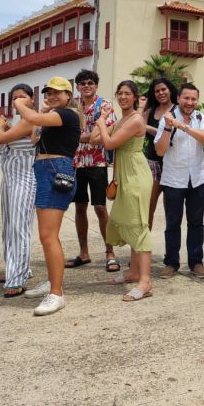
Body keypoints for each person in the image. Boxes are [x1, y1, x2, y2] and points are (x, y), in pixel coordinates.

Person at [16, 76, 82, 316]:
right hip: (45, 170)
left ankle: (56, 293)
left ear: (68, 95)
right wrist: (41, 111)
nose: (52, 96)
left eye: (58, 92)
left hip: (55, 170)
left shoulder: (67, 115)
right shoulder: (55, 116)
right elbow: (34, 136)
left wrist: (20, 103)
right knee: (47, 236)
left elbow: (31, 118)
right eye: (49, 92)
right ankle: (54, 282)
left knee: (48, 235)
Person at [92, 81, 154, 302]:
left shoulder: (136, 120)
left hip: (136, 175)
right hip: (124, 176)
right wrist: (105, 118)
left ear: (136, 97)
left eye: (127, 93)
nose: (123, 97)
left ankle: (145, 281)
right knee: (125, 221)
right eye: (119, 93)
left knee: (138, 225)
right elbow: (93, 139)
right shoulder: (122, 120)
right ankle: (134, 272)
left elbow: (108, 144)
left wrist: (101, 122)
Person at [155, 83, 204, 280]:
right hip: (173, 179)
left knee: (196, 223)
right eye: (186, 98)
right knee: (173, 223)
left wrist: (184, 127)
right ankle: (171, 262)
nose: (189, 102)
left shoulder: (200, 117)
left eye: (193, 99)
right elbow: (160, 151)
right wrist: (169, 127)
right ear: (178, 98)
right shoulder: (167, 119)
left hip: (197, 178)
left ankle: (196, 262)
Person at [67, 69, 119, 273]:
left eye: (90, 82)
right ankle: (84, 252)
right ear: (77, 87)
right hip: (77, 163)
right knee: (80, 207)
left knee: (100, 207)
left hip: (97, 162)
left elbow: (103, 134)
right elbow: (78, 133)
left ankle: (110, 253)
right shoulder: (73, 106)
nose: (86, 86)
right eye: (82, 83)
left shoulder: (104, 105)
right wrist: (89, 135)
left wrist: (80, 136)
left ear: (96, 85)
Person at [0, 84, 37, 298]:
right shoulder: (20, 121)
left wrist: (0, 126)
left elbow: (0, 139)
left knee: (20, 227)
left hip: (24, 178)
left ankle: (17, 278)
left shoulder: (31, 119)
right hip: (9, 179)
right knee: (8, 226)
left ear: (31, 100)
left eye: (22, 97)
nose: (18, 100)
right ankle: (16, 267)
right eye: (15, 97)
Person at [141, 78, 178, 229]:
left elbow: (172, 135)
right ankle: (145, 245)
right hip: (153, 163)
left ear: (170, 90)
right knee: (147, 206)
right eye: (157, 91)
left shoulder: (178, 110)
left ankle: (171, 249)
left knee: (171, 209)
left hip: (173, 163)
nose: (161, 93)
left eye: (163, 89)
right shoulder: (150, 111)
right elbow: (138, 127)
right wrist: (142, 107)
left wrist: (149, 128)